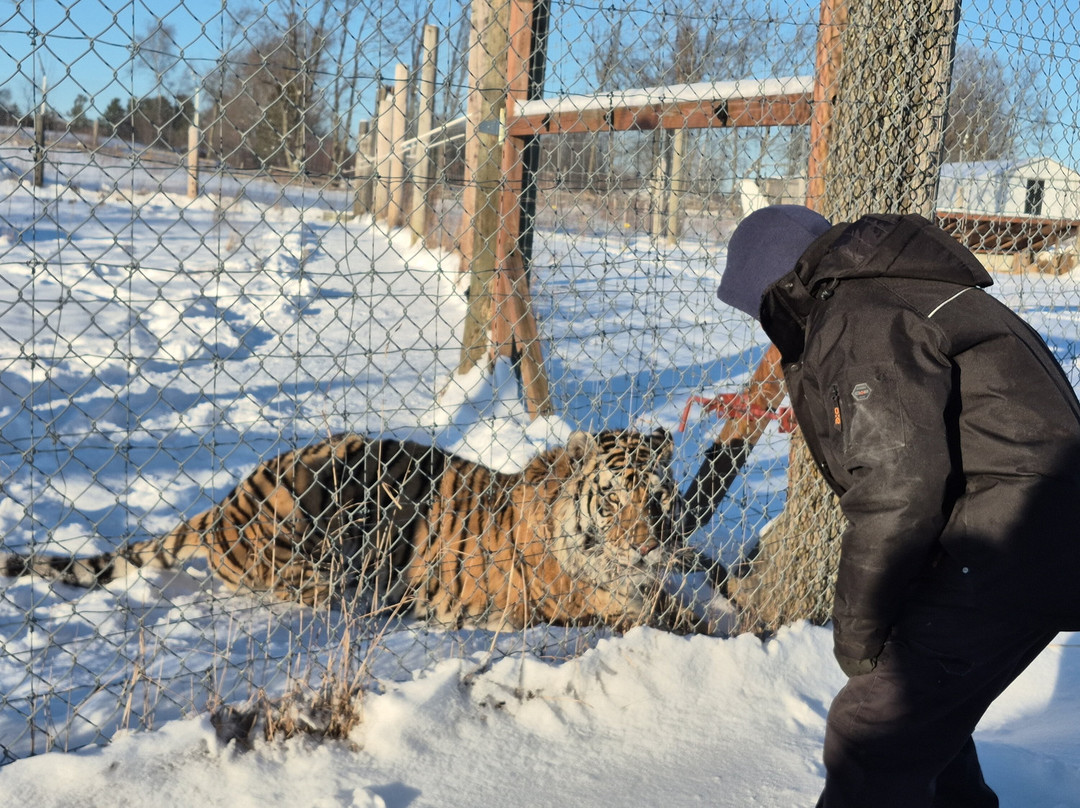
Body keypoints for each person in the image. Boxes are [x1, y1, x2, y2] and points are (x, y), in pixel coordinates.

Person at [717, 205, 1080, 807]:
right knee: (919, 709)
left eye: (757, 306)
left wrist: (859, 629)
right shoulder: (884, 297)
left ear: (777, 285)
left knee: (873, 728)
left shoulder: (861, 321)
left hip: (1013, 538)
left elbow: (896, 492)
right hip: (1026, 530)